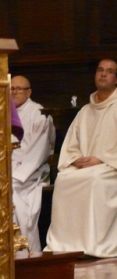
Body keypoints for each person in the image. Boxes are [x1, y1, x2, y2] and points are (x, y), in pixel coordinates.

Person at [45, 59, 117, 258]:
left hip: (112, 167)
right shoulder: (85, 110)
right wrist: (74, 159)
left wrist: (100, 159)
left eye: (109, 71)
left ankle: (94, 244)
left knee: (93, 180)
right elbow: (71, 142)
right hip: (86, 165)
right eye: (100, 70)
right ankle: (65, 244)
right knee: (64, 179)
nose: (103, 74)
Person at [11, 76, 55, 252]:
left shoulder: (39, 114)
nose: (14, 92)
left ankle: (24, 251)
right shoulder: (3, 110)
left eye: (19, 89)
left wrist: (13, 173)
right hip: (7, 168)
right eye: (11, 88)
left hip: (30, 171)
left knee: (9, 190)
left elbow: (39, 151)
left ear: (29, 92)